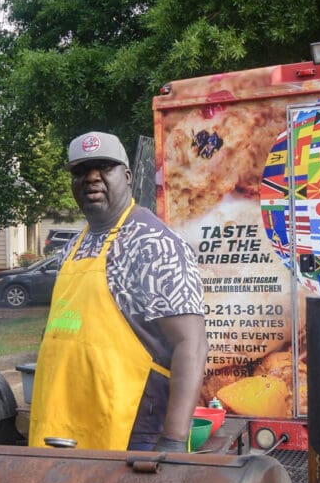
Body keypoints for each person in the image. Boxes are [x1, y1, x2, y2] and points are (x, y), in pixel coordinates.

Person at [28, 131, 208, 453]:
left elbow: (191, 343)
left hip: (130, 432)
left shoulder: (153, 243)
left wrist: (173, 441)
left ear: (126, 176)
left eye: (104, 167)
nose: (91, 177)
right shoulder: (73, 246)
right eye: (81, 171)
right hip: (61, 423)